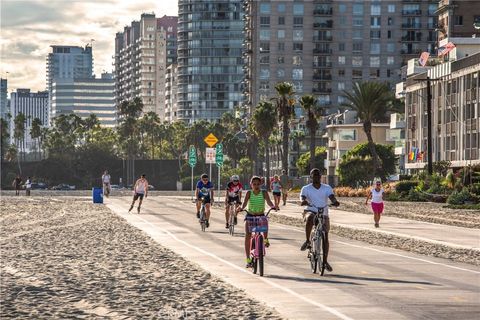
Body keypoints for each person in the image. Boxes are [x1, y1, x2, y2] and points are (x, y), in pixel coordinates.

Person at [300, 168, 340, 272]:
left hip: (323, 212)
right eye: (314, 175)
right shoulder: (306, 188)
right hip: (310, 210)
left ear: (320, 176)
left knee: (325, 235)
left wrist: (335, 202)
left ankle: (325, 261)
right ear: (311, 177)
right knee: (309, 218)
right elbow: (302, 197)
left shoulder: (327, 188)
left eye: (318, 175)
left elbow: (332, 197)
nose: (316, 176)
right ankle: (308, 241)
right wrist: (303, 201)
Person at [238, 176, 277, 268]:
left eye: (258, 184)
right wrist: (241, 208)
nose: (256, 186)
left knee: (265, 221)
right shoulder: (249, 193)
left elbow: (269, 202)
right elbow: (244, 203)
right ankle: (248, 259)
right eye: (254, 184)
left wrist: (273, 206)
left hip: (260, 214)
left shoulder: (263, 192)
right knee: (248, 235)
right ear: (251, 184)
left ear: (261, 184)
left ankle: (265, 239)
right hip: (250, 215)